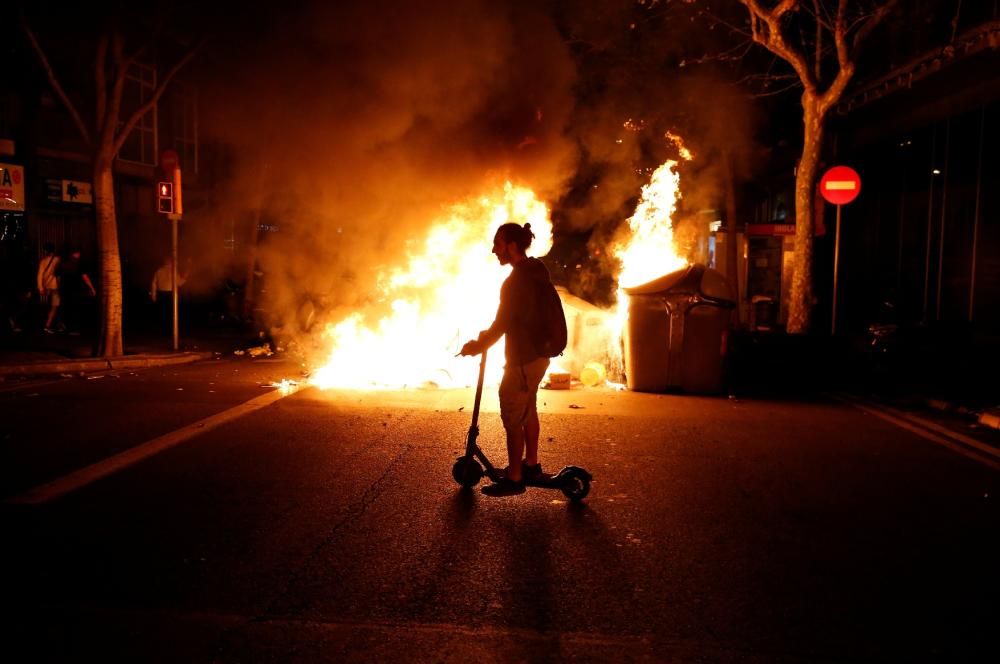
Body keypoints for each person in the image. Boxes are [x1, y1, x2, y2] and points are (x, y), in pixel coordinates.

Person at [460, 222, 552, 497]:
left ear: (512, 246)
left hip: (523, 359)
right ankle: (531, 464)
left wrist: (478, 345)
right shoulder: (537, 269)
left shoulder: (515, 282)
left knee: (513, 414)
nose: (494, 250)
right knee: (528, 411)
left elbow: (502, 323)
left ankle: (514, 478)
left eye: (498, 244)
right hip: (539, 356)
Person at [59, 246, 97, 335]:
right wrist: (92, 288)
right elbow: (85, 277)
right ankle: (73, 329)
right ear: (75, 254)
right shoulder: (79, 264)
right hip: (75, 289)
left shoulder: (64, 263)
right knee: (75, 308)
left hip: (64, 289)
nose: (79, 255)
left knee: (66, 307)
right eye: (78, 253)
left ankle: (64, 326)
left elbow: (58, 277)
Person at [150, 256, 186, 331]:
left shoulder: (158, 270)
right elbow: (179, 283)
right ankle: (170, 330)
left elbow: (153, 283)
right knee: (171, 313)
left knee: (163, 313)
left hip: (161, 294)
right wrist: (185, 278)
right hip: (171, 294)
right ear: (170, 262)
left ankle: (163, 329)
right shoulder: (173, 271)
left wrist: (154, 294)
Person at [36, 242, 61, 333]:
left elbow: (39, 275)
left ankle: (53, 323)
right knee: (55, 305)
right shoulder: (57, 259)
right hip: (55, 286)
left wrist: (40, 287)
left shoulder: (43, 261)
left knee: (50, 305)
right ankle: (48, 325)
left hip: (46, 286)